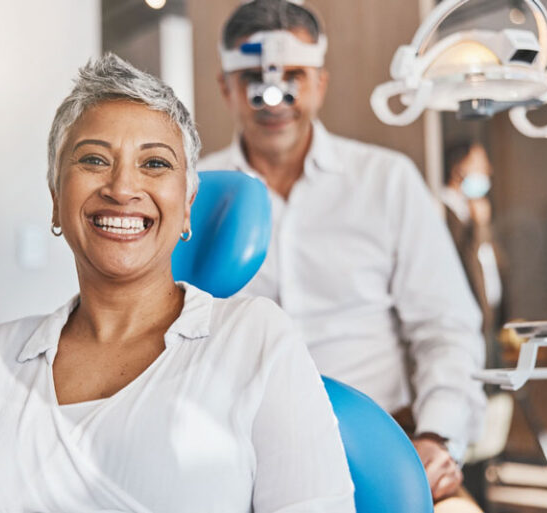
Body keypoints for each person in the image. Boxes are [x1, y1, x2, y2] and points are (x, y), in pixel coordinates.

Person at [0, 53, 355, 513]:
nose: (121, 188)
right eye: (94, 159)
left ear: (188, 205)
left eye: (154, 164)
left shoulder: (255, 337)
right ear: (56, 199)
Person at [198, 0, 486, 509]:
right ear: (225, 88)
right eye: (253, 79)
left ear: (320, 83)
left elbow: (447, 326)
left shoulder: (387, 180)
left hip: (389, 443)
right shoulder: (194, 195)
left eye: (293, 76)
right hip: (241, 455)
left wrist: (438, 436)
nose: (274, 97)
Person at [442, 141, 504, 362]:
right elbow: (463, 259)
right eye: (480, 164)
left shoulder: (475, 208)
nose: (488, 171)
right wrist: (478, 226)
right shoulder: (443, 210)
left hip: (487, 319)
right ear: (458, 167)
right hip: (463, 320)